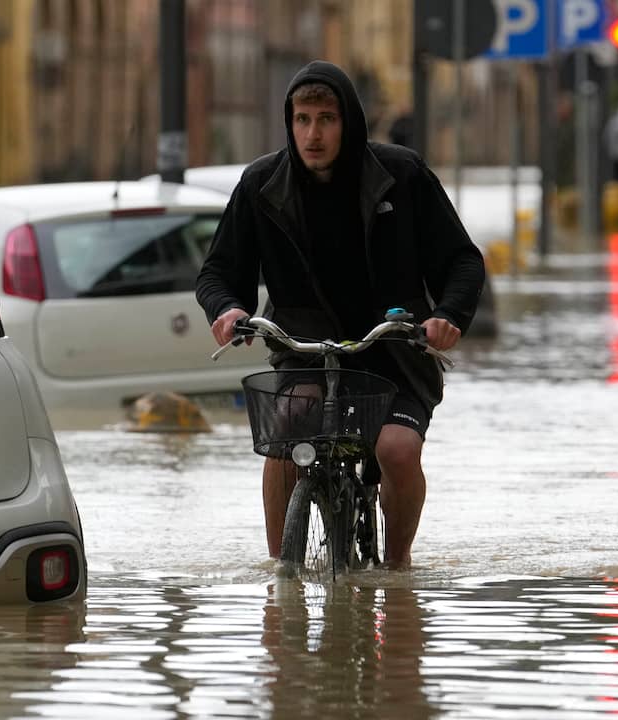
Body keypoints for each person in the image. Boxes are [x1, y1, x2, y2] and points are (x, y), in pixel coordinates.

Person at [195, 60, 486, 570]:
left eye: (326, 119)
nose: (313, 134)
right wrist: (228, 309)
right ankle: (280, 568)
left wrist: (447, 316)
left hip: (394, 352)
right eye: (302, 119)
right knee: (284, 438)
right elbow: (218, 272)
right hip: (304, 351)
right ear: (288, 122)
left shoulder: (401, 175)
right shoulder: (262, 185)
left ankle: (398, 571)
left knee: (396, 450)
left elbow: (462, 260)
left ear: (348, 121)